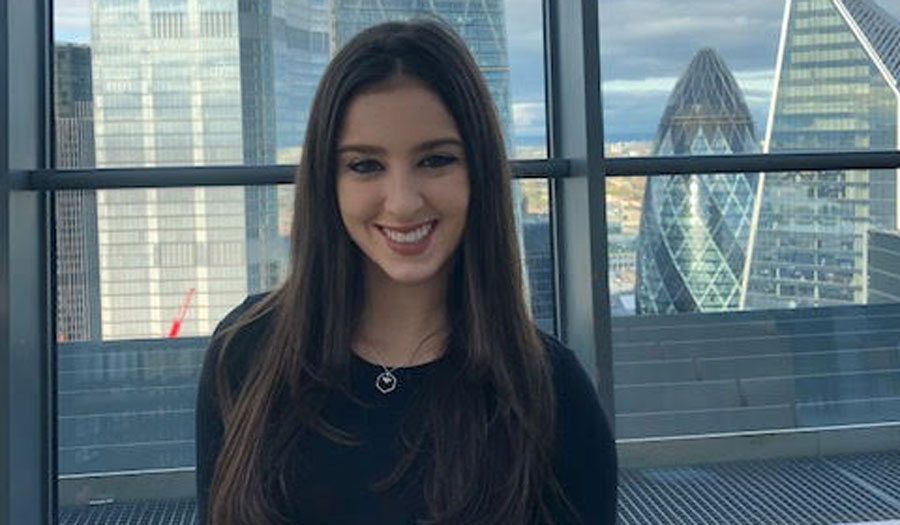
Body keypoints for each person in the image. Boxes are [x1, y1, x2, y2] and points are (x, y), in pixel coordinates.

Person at [195, 19, 617, 525]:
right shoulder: (245, 353)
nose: (402, 202)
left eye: (436, 160)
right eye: (365, 165)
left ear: (478, 171)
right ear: (326, 182)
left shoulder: (549, 392)